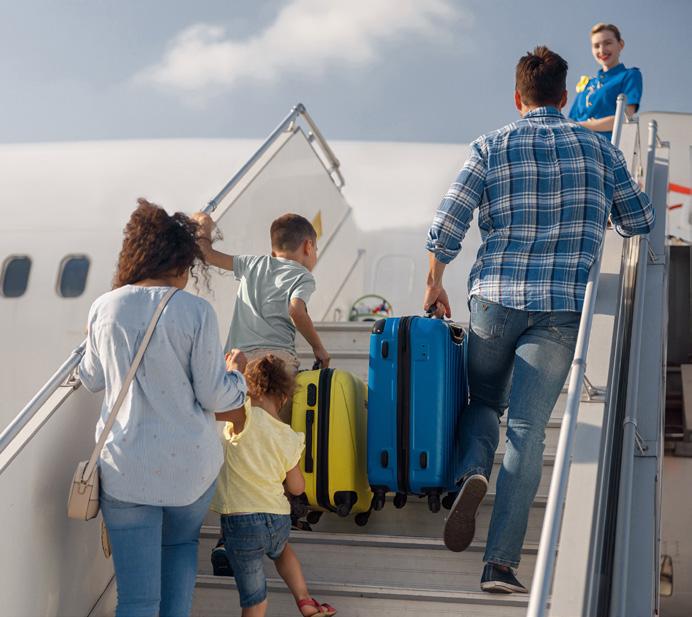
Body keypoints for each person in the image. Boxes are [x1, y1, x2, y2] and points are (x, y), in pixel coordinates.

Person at [424, 46, 654, 594]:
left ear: (518, 97)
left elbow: (448, 222)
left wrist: (434, 281)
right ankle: (500, 565)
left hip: (495, 301)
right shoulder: (599, 151)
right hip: (560, 310)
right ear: (564, 96)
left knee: (483, 402)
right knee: (527, 432)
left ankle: (471, 471)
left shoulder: (490, 145)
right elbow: (641, 219)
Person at [78, 199, 249, 617]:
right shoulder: (195, 312)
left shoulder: (105, 306)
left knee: (137, 600)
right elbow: (214, 395)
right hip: (189, 472)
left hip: (126, 470)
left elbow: (91, 378)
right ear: (179, 262)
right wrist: (238, 378)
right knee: (180, 546)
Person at [210, 354, 337, 617]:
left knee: (255, 598)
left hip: (242, 522)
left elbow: (210, 410)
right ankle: (304, 599)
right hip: (278, 519)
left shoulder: (242, 415)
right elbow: (297, 487)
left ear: (249, 389)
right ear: (285, 397)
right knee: (282, 551)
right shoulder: (289, 435)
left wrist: (232, 372)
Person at [193, 211, 330, 415]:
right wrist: (319, 349)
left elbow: (206, 254)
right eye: (316, 249)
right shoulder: (303, 276)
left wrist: (203, 224)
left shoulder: (252, 264)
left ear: (273, 251)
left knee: (240, 425)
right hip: (276, 363)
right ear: (308, 246)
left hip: (239, 360)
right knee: (274, 426)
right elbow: (296, 310)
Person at [569, 23, 643, 140]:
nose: (602, 50)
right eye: (596, 46)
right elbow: (570, 121)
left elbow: (625, 118)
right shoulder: (587, 84)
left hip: (604, 146)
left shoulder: (629, 75)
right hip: (575, 144)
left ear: (621, 44)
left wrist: (585, 126)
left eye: (608, 43)